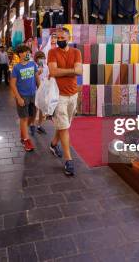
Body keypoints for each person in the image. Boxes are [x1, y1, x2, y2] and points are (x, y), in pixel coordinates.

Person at [48, 27, 82, 176]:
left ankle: (53, 144)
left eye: (63, 38)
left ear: (69, 38)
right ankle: (69, 159)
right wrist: (71, 70)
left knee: (64, 124)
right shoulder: (52, 52)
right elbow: (53, 72)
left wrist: (63, 71)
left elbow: (79, 71)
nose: (60, 40)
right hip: (58, 95)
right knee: (64, 127)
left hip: (73, 94)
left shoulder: (76, 52)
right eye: (58, 38)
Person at [10, 45, 40, 152]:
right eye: (24, 52)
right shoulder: (16, 68)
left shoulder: (33, 64)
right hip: (22, 96)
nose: (27, 54)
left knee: (32, 116)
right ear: (20, 54)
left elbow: (37, 79)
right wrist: (18, 98)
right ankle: (26, 140)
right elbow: (13, 84)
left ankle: (23, 133)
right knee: (24, 118)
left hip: (33, 95)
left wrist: (40, 93)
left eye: (28, 52)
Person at [32, 50, 48, 136]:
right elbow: (31, 78)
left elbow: (48, 76)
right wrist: (37, 73)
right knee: (35, 108)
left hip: (44, 89)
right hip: (35, 89)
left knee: (42, 108)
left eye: (43, 58)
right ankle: (32, 125)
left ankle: (40, 125)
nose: (41, 60)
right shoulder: (33, 66)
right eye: (39, 58)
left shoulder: (46, 67)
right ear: (36, 59)